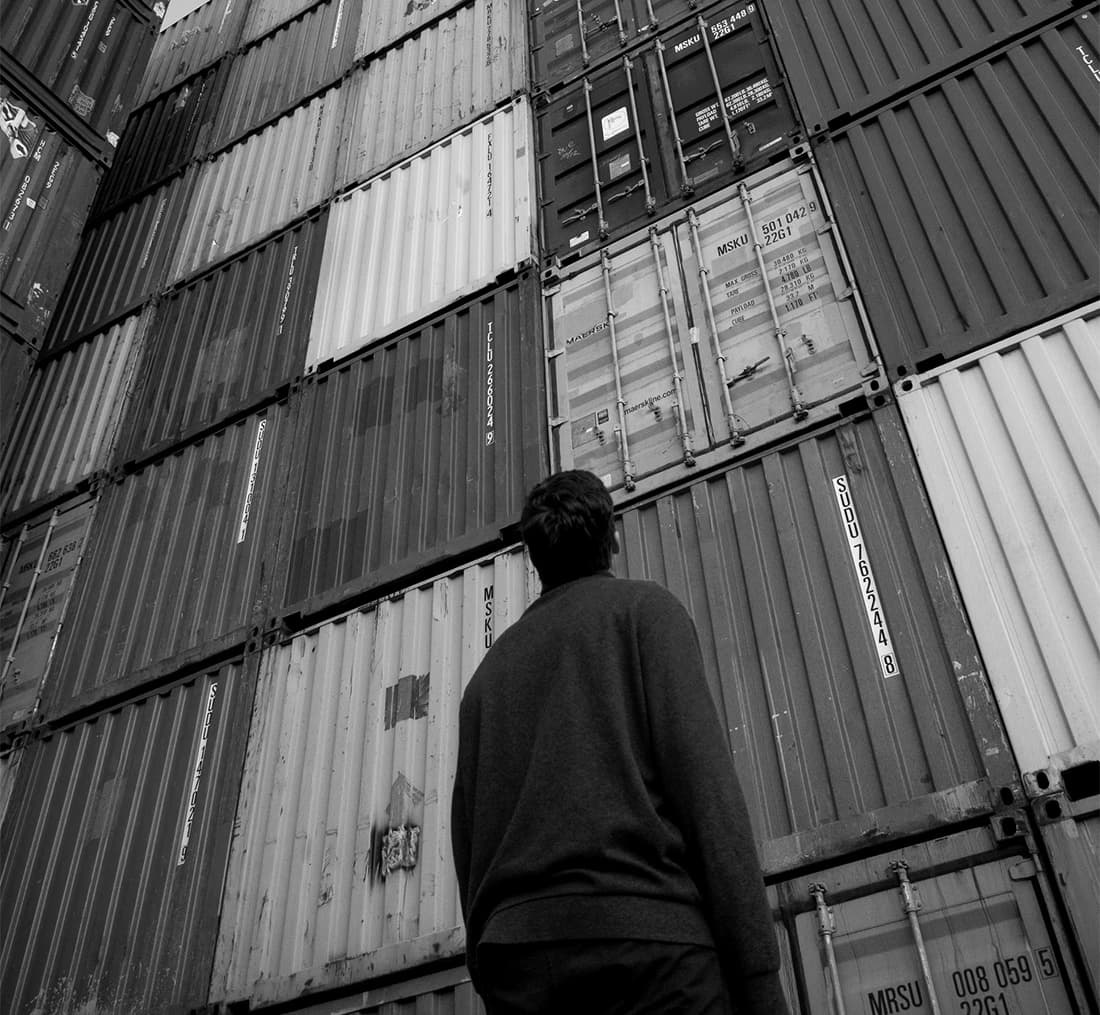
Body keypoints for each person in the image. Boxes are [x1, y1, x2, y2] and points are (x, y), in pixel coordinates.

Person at [450, 470, 787, 1014]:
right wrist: (758, 975)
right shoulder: (645, 613)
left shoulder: (484, 683)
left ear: (535, 560)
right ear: (613, 538)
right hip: (653, 955)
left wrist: (494, 974)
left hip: (521, 970)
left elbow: (468, 851)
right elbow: (708, 797)